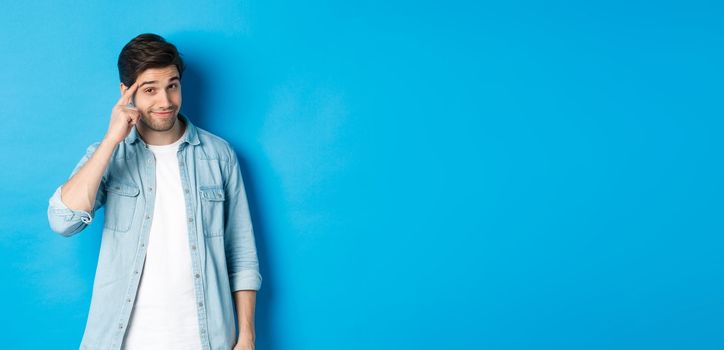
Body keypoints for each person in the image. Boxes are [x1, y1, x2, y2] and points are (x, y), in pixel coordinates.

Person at [47, 33, 261, 350]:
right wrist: (110, 141)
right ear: (126, 93)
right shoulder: (109, 154)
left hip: (207, 339)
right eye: (150, 90)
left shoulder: (219, 156)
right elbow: (63, 221)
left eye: (172, 85)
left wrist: (247, 337)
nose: (165, 101)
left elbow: (241, 256)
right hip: (123, 341)